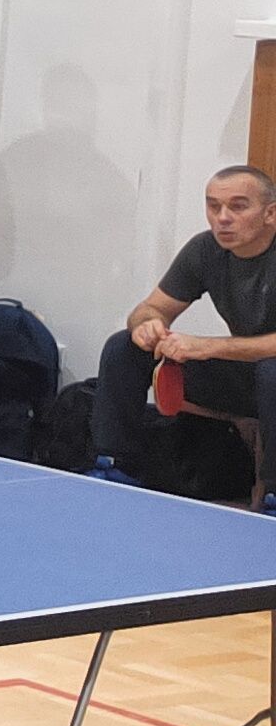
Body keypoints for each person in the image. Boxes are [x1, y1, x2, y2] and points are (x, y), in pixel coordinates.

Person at [91, 167, 276, 501]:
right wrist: (148, 324)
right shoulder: (205, 250)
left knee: (272, 371)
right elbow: (149, 308)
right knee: (123, 347)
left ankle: (274, 494)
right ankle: (117, 466)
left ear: (270, 213)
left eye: (237, 206)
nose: (223, 218)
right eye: (213, 206)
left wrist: (207, 346)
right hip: (245, 378)